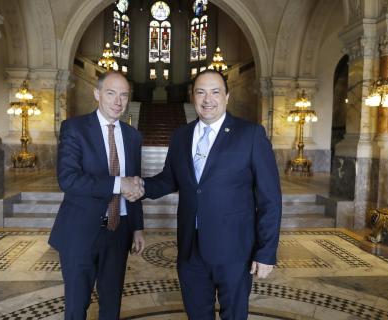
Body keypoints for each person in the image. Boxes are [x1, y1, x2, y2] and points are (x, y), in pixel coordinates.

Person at [142, 70, 282, 319]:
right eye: (201, 92)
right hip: (190, 250)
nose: (208, 99)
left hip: (235, 252)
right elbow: (169, 179)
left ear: (227, 97)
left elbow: (270, 198)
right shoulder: (181, 136)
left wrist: (266, 252)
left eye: (215, 92)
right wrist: (137, 187)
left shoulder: (250, 135)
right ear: (192, 97)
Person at [49, 71, 146, 320]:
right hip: (80, 231)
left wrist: (137, 227)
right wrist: (117, 183)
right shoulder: (75, 128)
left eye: (124, 95)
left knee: (111, 304)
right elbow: (68, 179)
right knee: (76, 305)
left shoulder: (133, 136)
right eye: (111, 93)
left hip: (118, 230)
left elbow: (133, 184)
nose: (118, 101)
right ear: (97, 94)